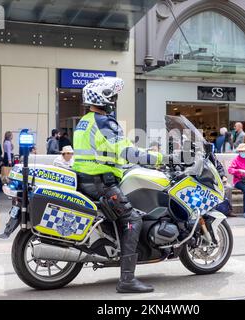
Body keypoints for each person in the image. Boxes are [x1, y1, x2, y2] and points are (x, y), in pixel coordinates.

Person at [72, 77, 164, 293]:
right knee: (132, 218)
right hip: (101, 182)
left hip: (89, 179)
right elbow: (125, 151)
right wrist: (159, 158)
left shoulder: (85, 120)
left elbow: (108, 153)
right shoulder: (104, 122)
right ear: (103, 98)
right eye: (112, 96)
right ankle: (127, 280)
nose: (114, 100)